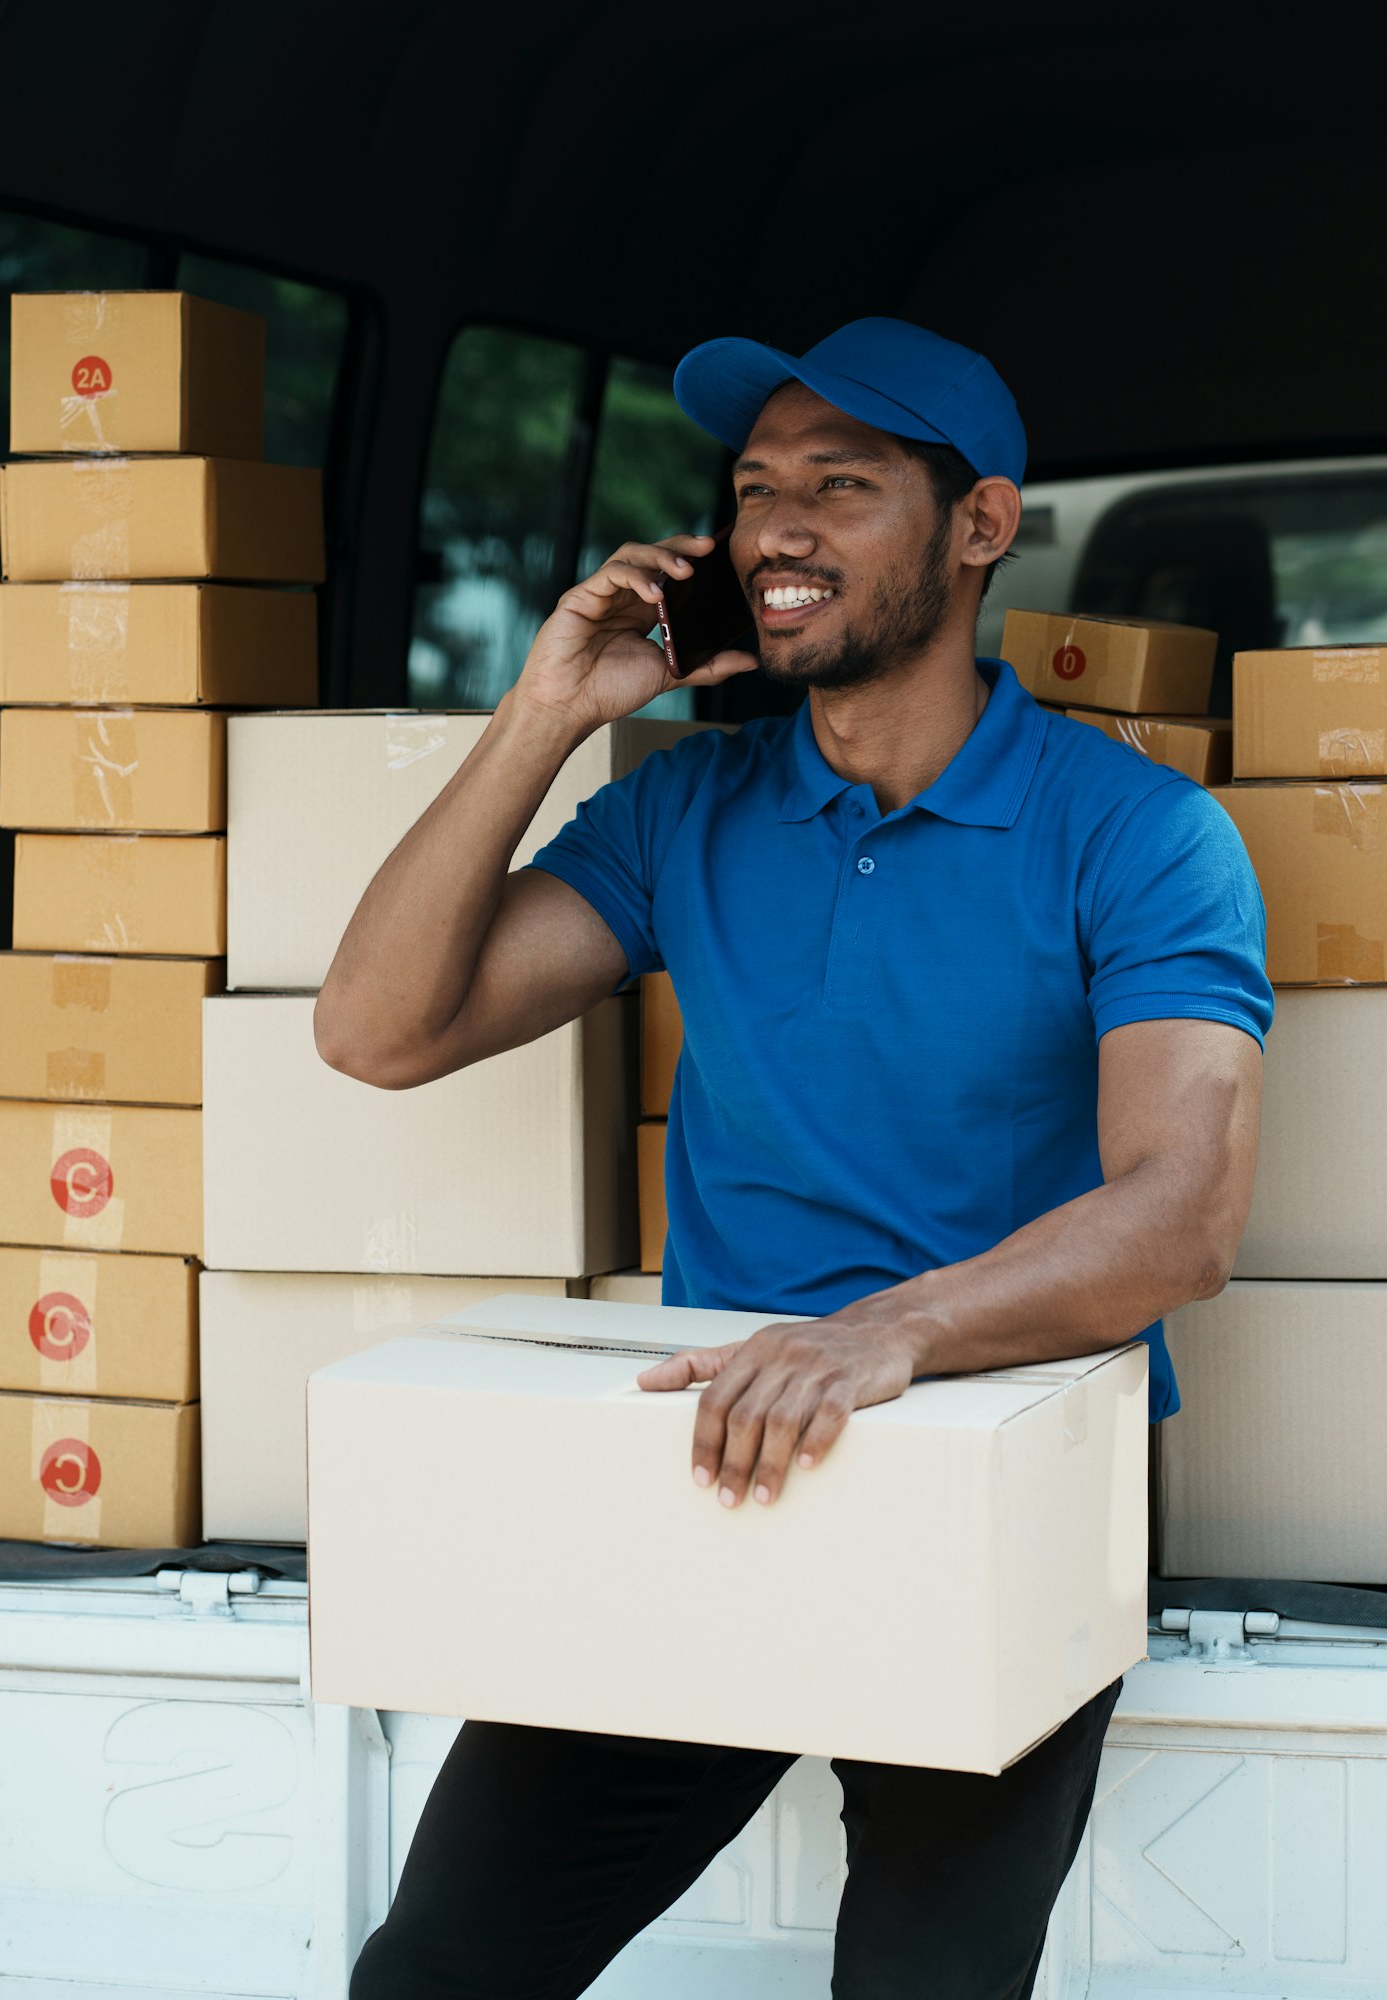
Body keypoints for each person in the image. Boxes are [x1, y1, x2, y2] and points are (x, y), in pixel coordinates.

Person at [316, 317, 1272, 2000]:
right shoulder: (685, 808)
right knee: (438, 1973)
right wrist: (548, 710)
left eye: (841, 485)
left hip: (995, 1472)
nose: (776, 530)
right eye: (755, 489)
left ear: (978, 527)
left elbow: (1177, 1216)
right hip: (714, 1460)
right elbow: (376, 1032)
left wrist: (883, 1332)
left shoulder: (1138, 834)